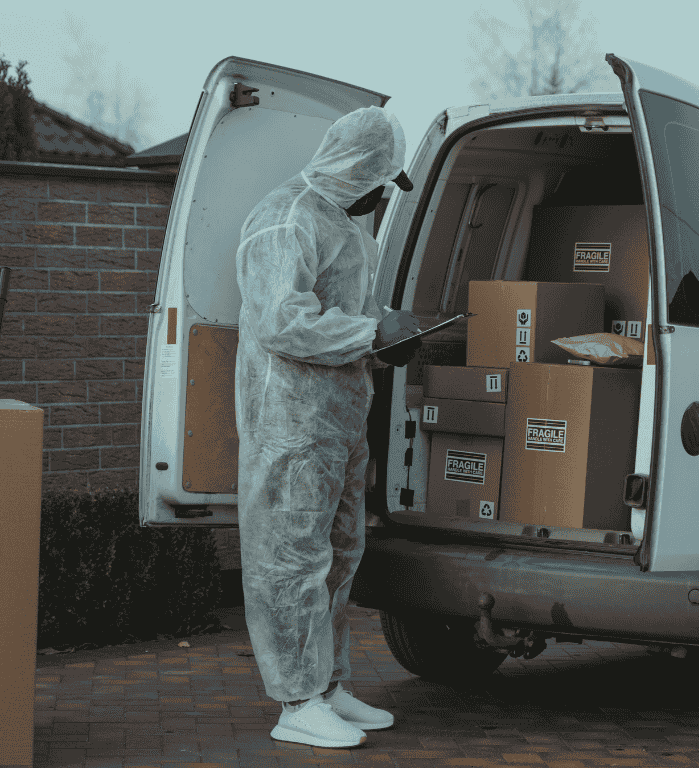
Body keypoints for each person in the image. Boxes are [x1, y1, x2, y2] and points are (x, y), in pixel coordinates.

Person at [234, 105, 423, 749]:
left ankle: (329, 684)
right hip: (289, 423)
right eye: (380, 182)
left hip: (339, 420)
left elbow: (351, 315)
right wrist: (372, 332)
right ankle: (296, 700)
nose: (381, 197)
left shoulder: (350, 228)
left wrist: (389, 333)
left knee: (339, 555)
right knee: (290, 558)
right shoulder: (286, 218)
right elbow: (279, 321)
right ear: (354, 169)